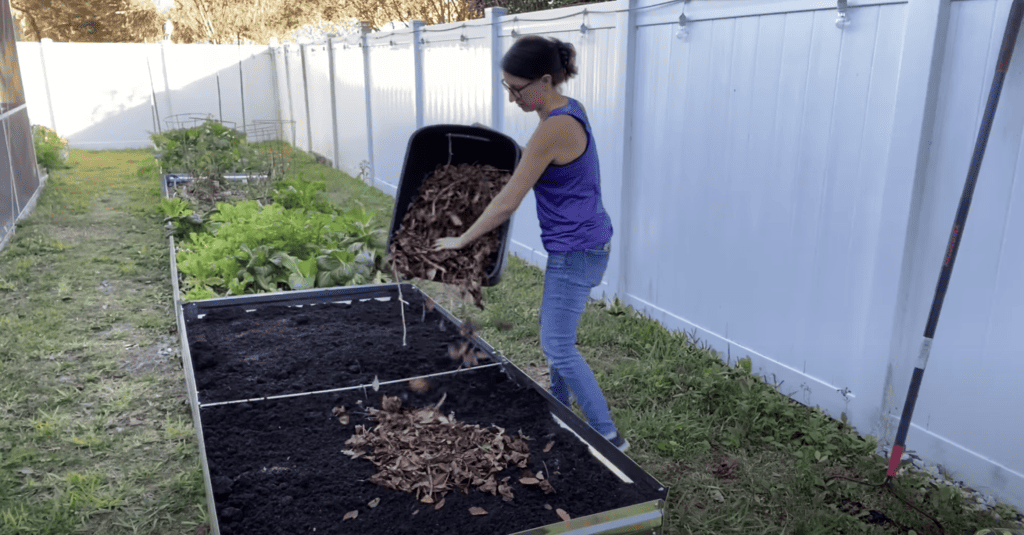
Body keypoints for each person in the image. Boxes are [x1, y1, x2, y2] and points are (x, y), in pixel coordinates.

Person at [433, 35, 627, 452]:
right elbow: (542, 159)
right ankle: (558, 408)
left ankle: (608, 437)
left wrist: (463, 238)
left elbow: (507, 201)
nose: (512, 97)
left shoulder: (553, 126)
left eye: (517, 89)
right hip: (586, 241)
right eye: (507, 88)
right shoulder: (567, 111)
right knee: (556, 334)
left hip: (577, 250)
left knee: (557, 345)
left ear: (543, 79)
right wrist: (501, 143)